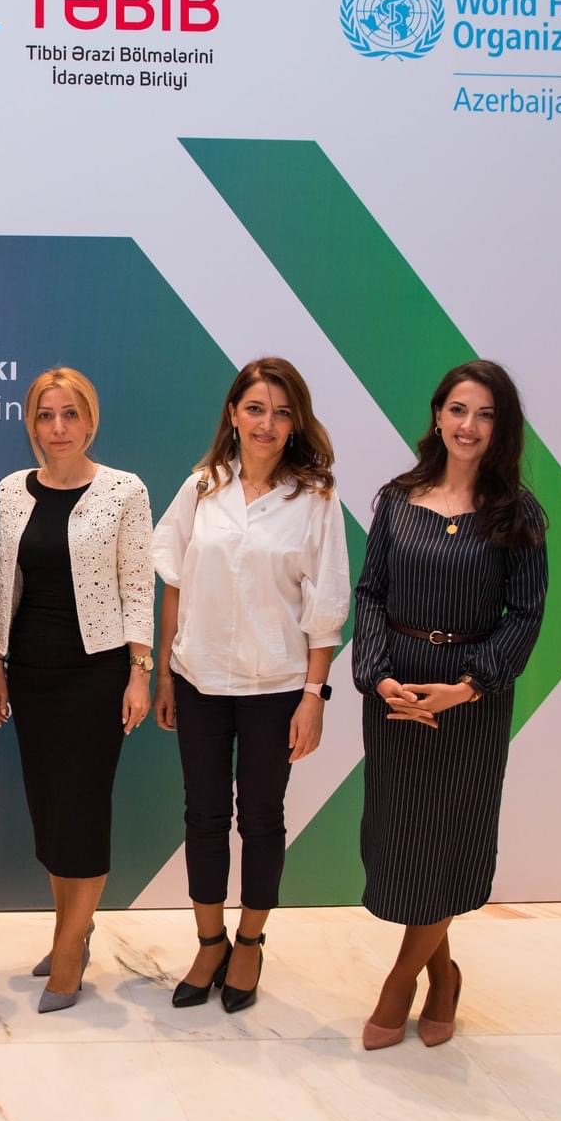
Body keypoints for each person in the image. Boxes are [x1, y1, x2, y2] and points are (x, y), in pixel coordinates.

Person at [351, 359, 548, 1050]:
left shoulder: (517, 513)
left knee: (449, 840)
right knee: (404, 841)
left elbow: (525, 614)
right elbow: (371, 592)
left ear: (502, 428)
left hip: (471, 701)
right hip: (398, 693)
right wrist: (379, 679)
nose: (470, 425)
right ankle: (445, 974)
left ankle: (400, 982)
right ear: (438, 416)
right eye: (459, 409)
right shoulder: (397, 499)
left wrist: (469, 686)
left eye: (486, 414)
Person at [151, 357, 349, 1014]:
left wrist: (314, 696)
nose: (267, 424)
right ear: (234, 413)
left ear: (296, 424)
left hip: (277, 686)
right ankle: (209, 941)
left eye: (282, 412)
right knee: (203, 815)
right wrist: (164, 672)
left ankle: (250, 942)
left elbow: (326, 607)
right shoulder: (202, 487)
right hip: (200, 678)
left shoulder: (315, 498)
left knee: (262, 818)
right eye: (256, 408)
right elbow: (174, 581)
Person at [0, 368, 154, 1013]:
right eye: (45, 415)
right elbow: (3, 581)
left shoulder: (123, 490)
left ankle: (69, 947)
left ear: (90, 420)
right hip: (31, 669)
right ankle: (70, 934)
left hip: (96, 674)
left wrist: (140, 671)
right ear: (31, 423)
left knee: (83, 811)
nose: (58, 428)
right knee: (50, 810)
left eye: (70, 414)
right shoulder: (12, 490)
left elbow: (138, 583)